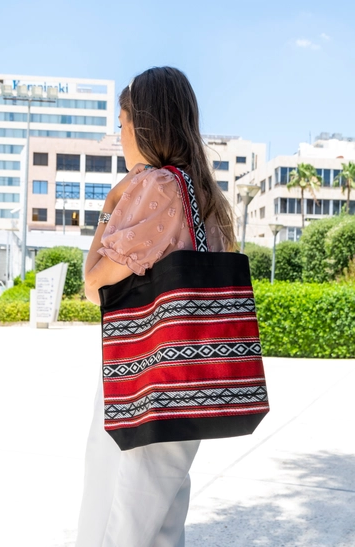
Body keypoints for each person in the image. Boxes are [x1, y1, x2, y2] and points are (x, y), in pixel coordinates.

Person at [75, 66, 236, 547]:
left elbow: (93, 284)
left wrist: (110, 205)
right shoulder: (205, 197)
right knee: (161, 524)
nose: (119, 135)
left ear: (141, 124)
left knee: (115, 521)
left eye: (120, 122)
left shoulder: (156, 188)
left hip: (144, 385)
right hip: (191, 385)